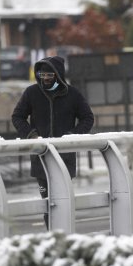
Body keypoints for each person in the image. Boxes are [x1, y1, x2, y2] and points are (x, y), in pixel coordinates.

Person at [12, 56, 94, 229]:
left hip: (65, 159)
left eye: (50, 75)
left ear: (58, 75)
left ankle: (65, 234)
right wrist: (32, 135)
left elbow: (88, 118)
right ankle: (53, 236)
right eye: (42, 75)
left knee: (63, 201)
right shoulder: (31, 93)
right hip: (40, 159)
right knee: (48, 204)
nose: (46, 79)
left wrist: (71, 137)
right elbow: (17, 117)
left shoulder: (73, 94)